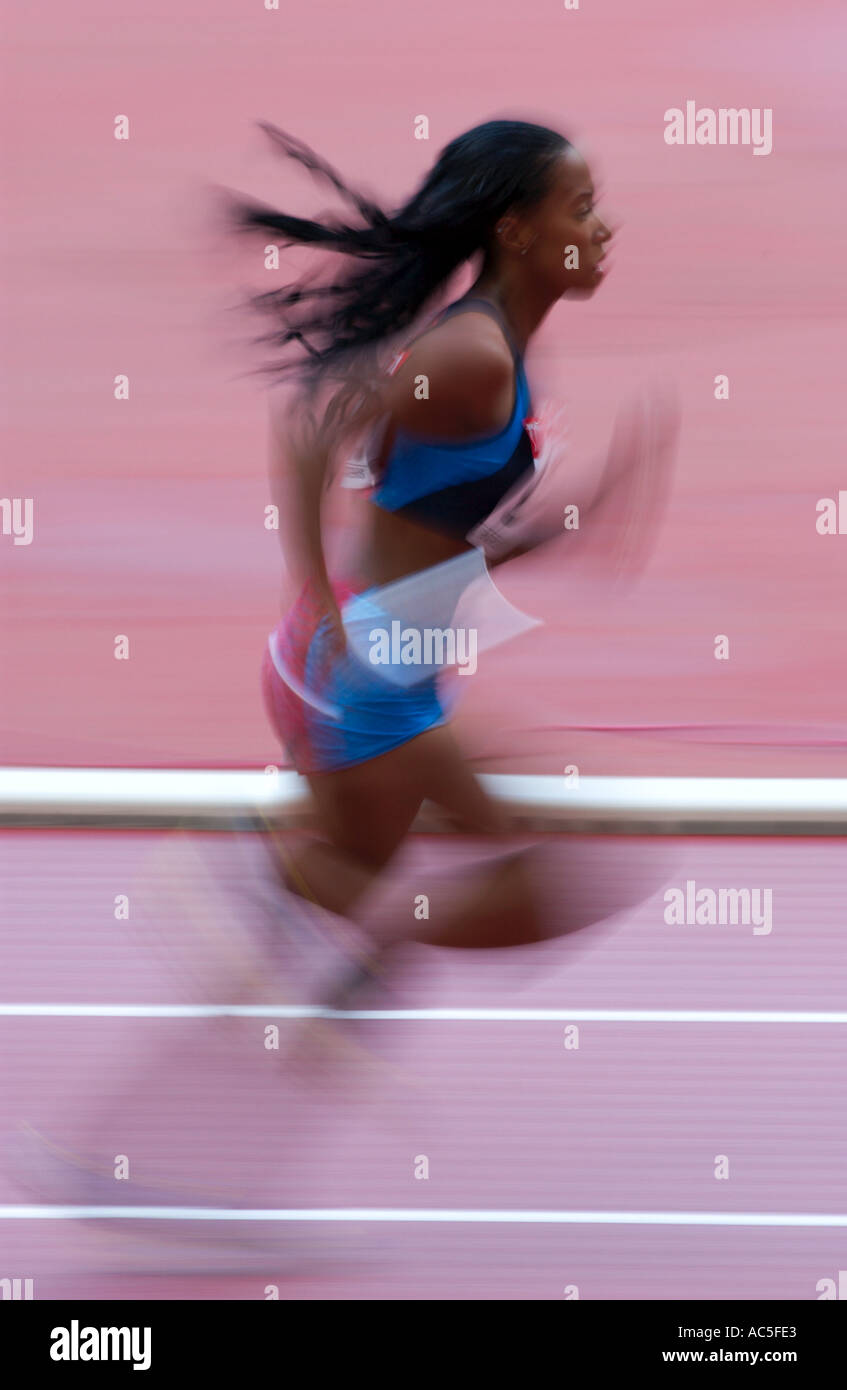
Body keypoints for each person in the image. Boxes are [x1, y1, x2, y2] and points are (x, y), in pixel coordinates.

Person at [226, 118, 677, 998]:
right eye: (580, 209)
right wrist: (317, 595)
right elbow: (313, 430)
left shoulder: (497, 352)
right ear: (515, 230)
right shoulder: (470, 354)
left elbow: (441, 527)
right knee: (554, 875)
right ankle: (303, 898)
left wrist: (577, 517)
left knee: (457, 864)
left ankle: (323, 934)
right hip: (368, 665)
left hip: (400, 656)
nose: (603, 228)